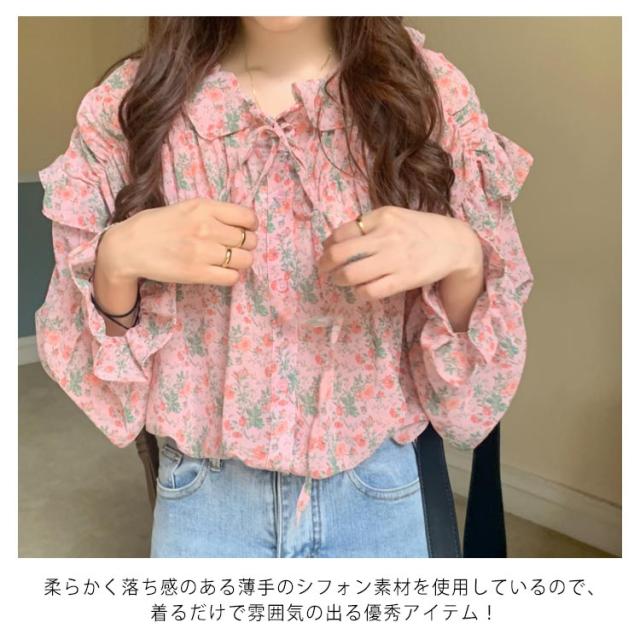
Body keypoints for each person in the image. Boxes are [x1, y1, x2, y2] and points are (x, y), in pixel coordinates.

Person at [35, 17, 534, 558]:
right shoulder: (130, 107)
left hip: (379, 492)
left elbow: (466, 403)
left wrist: (463, 257)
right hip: (204, 501)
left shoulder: (427, 93)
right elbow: (108, 394)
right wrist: (116, 261)